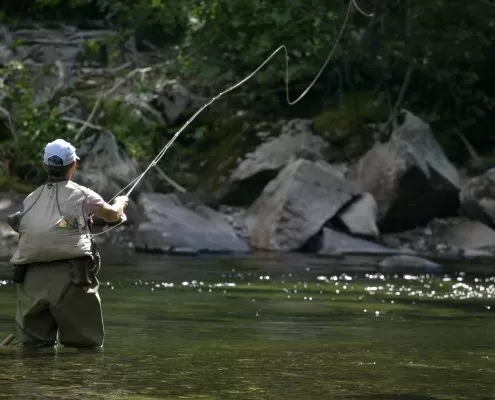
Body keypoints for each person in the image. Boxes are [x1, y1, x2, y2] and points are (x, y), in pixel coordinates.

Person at [8, 138, 129, 350]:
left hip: (30, 281)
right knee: (84, 348)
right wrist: (121, 202)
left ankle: (33, 382)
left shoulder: (30, 198)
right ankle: (75, 381)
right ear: (73, 165)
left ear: (45, 166)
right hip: (72, 278)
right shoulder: (84, 195)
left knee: (33, 351)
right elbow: (113, 216)